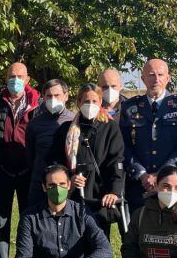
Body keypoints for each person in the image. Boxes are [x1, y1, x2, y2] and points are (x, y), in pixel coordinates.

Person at [0, 61, 40, 258]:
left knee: (30, 223)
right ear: (6, 78)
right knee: (0, 223)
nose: (15, 79)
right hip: (3, 174)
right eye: (11, 75)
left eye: (20, 76)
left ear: (27, 80)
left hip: (29, 175)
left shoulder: (38, 105)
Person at [47, 83, 126, 234]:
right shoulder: (65, 130)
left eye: (94, 101)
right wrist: (70, 178)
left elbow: (116, 161)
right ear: (78, 102)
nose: (90, 105)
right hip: (72, 196)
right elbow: (55, 162)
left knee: (98, 241)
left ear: (100, 102)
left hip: (99, 197)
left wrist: (114, 191)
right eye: (86, 101)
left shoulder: (110, 128)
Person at [119, 58, 177, 209]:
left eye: (160, 75)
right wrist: (142, 174)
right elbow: (124, 145)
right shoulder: (129, 107)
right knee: (141, 229)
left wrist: (162, 175)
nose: (156, 79)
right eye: (151, 75)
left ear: (168, 78)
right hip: (140, 185)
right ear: (143, 79)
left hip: (175, 183)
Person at [25, 78, 75, 210]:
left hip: (66, 185)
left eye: (57, 95)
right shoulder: (35, 124)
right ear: (43, 97)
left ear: (66, 96)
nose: (53, 99)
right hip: (40, 184)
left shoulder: (75, 121)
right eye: (49, 96)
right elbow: (30, 155)